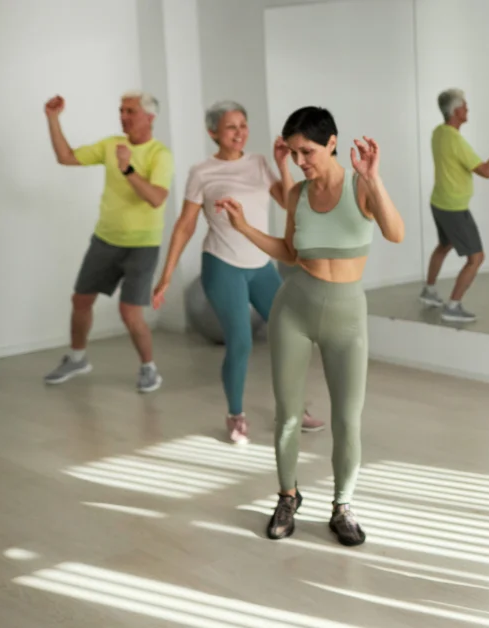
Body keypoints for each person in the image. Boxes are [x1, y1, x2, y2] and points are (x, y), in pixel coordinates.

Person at [216, 107, 406, 546]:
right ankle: (287, 496)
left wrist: (374, 177)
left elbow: (395, 233)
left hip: (347, 317)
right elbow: (288, 251)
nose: (301, 160)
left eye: (309, 151)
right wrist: (243, 226)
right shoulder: (297, 194)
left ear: (332, 142)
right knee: (287, 416)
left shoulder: (360, 185)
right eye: (294, 151)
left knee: (347, 419)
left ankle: (343, 506)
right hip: (294, 309)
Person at [152, 101, 323, 444]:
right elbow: (185, 226)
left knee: (291, 334)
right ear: (213, 131)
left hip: (261, 265)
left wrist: (281, 165)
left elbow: (290, 204)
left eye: (243, 125)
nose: (239, 132)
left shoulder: (260, 163)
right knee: (241, 341)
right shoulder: (202, 173)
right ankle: (235, 415)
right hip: (222, 265)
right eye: (231, 127)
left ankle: (292, 408)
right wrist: (167, 275)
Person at [42, 91, 173, 392]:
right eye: (121, 111)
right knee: (81, 300)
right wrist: (53, 119)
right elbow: (66, 157)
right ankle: (77, 359)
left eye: (130, 111)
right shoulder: (112, 145)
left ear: (149, 118)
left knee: (129, 312)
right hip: (105, 239)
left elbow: (156, 198)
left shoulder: (160, 155)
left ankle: (149, 368)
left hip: (142, 245)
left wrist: (128, 169)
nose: (123, 116)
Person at [418, 88, 489, 323]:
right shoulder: (455, 140)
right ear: (456, 111)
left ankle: (429, 292)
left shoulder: (437, 133)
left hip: (438, 202)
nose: (468, 109)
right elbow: (487, 171)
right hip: (454, 208)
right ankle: (453, 305)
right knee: (476, 258)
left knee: (444, 244)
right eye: (465, 106)